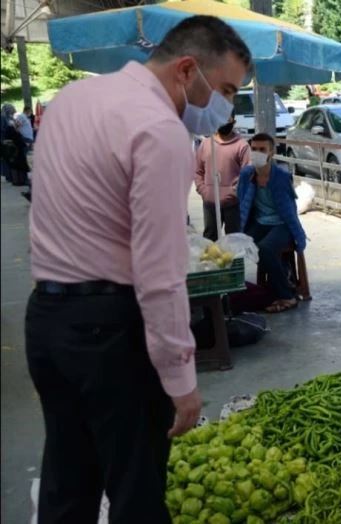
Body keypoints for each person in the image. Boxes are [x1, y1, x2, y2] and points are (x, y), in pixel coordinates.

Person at [25, 16, 251, 523]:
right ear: (187, 69)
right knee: (137, 489)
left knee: (69, 480)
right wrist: (181, 378)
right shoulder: (160, 129)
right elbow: (159, 271)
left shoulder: (70, 101)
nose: (227, 107)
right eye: (227, 91)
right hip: (110, 331)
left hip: (47, 320)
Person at [238, 133, 307, 313]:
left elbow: (289, 210)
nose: (257, 153)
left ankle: (287, 295)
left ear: (272, 152)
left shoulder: (281, 176)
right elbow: (242, 203)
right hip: (260, 222)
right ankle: (240, 295)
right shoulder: (247, 174)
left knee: (266, 249)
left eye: (262, 149)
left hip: (281, 224)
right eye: (254, 149)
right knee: (235, 247)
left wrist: (298, 236)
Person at [195, 109, 250, 241]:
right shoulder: (206, 145)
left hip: (233, 205)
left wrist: (234, 193)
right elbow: (197, 171)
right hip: (210, 204)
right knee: (209, 240)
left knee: (235, 242)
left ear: (233, 121)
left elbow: (247, 175)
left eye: (226, 119)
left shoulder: (242, 146)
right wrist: (204, 191)